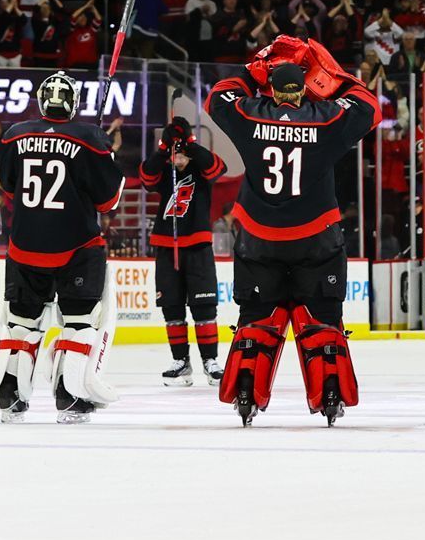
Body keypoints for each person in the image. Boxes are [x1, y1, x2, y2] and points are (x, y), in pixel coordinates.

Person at [206, 36, 380, 426]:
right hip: (315, 237)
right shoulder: (326, 118)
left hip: (258, 237)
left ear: (271, 88)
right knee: (322, 316)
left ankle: (247, 390)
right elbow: (369, 106)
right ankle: (329, 391)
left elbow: (217, 97)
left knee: (256, 315)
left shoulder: (250, 114)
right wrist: (333, 75)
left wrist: (257, 68)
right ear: (303, 88)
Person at [0, 71, 126, 424]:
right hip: (77, 246)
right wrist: (101, 153)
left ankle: (10, 397)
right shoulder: (91, 138)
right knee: (79, 322)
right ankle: (71, 397)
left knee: (20, 323)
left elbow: (11, 190)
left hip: (25, 245)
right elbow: (110, 202)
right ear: (73, 103)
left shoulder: (15, 135)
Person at [137, 116, 228, 387]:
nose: (176, 157)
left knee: (203, 307)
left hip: (197, 246)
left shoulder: (201, 170)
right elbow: (145, 176)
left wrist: (189, 144)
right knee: (172, 308)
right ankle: (181, 361)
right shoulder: (164, 172)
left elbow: (217, 167)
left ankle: (210, 360)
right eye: (173, 152)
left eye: (181, 152)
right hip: (167, 246)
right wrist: (165, 147)